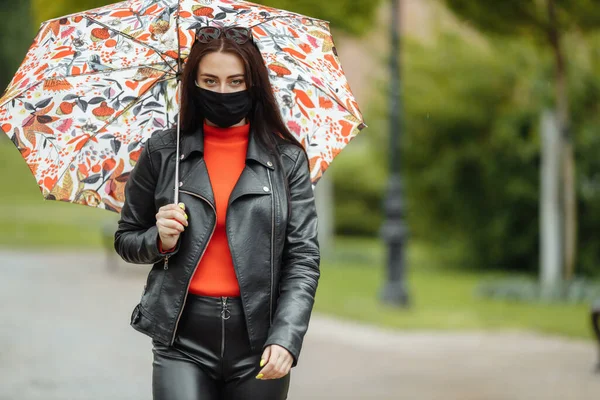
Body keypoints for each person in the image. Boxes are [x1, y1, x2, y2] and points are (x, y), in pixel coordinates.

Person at [114, 26, 320, 400]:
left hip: (260, 340)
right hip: (181, 339)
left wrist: (287, 337)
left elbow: (303, 257)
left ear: (254, 84)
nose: (222, 92)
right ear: (192, 83)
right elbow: (126, 239)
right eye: (210, 80)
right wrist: (159, 239)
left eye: (235, 81)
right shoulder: (163, 152)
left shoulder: (287, 159)